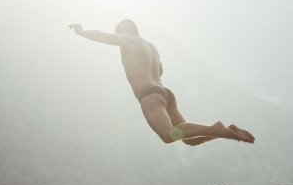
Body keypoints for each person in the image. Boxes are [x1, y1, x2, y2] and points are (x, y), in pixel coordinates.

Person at [68, 20, 255, 145]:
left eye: (119, 32)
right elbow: (160, 70)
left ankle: (214, 128)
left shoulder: (131, 41)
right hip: (165, 94)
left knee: (167, 135)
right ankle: (222, 132)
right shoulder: (152, 48)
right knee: (187, 139)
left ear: (126, 30)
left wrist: (81, 31)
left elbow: (104, 36)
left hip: (149, 95)